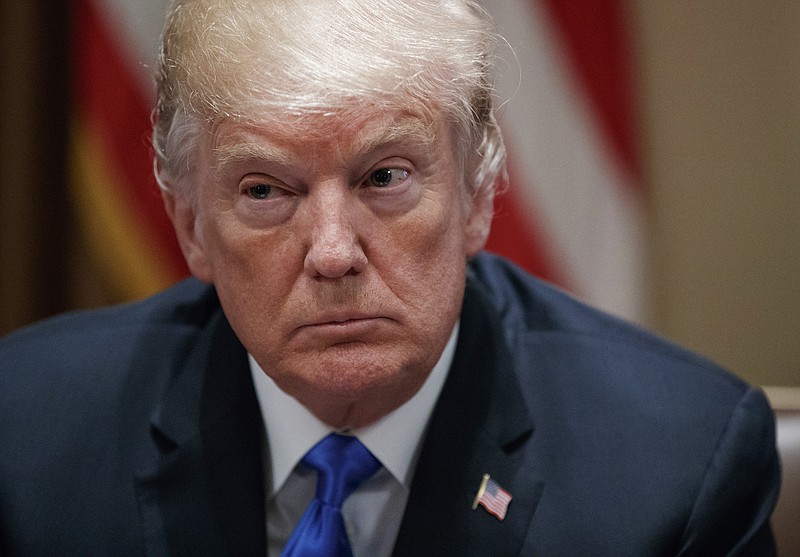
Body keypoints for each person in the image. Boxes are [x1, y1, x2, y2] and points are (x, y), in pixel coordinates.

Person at [0, 0, 780, 555]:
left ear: (477, 196)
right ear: (191, 227)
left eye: (385, 176)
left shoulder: (678, 471)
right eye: (266, 190)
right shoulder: (26, 438)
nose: (333, 252)